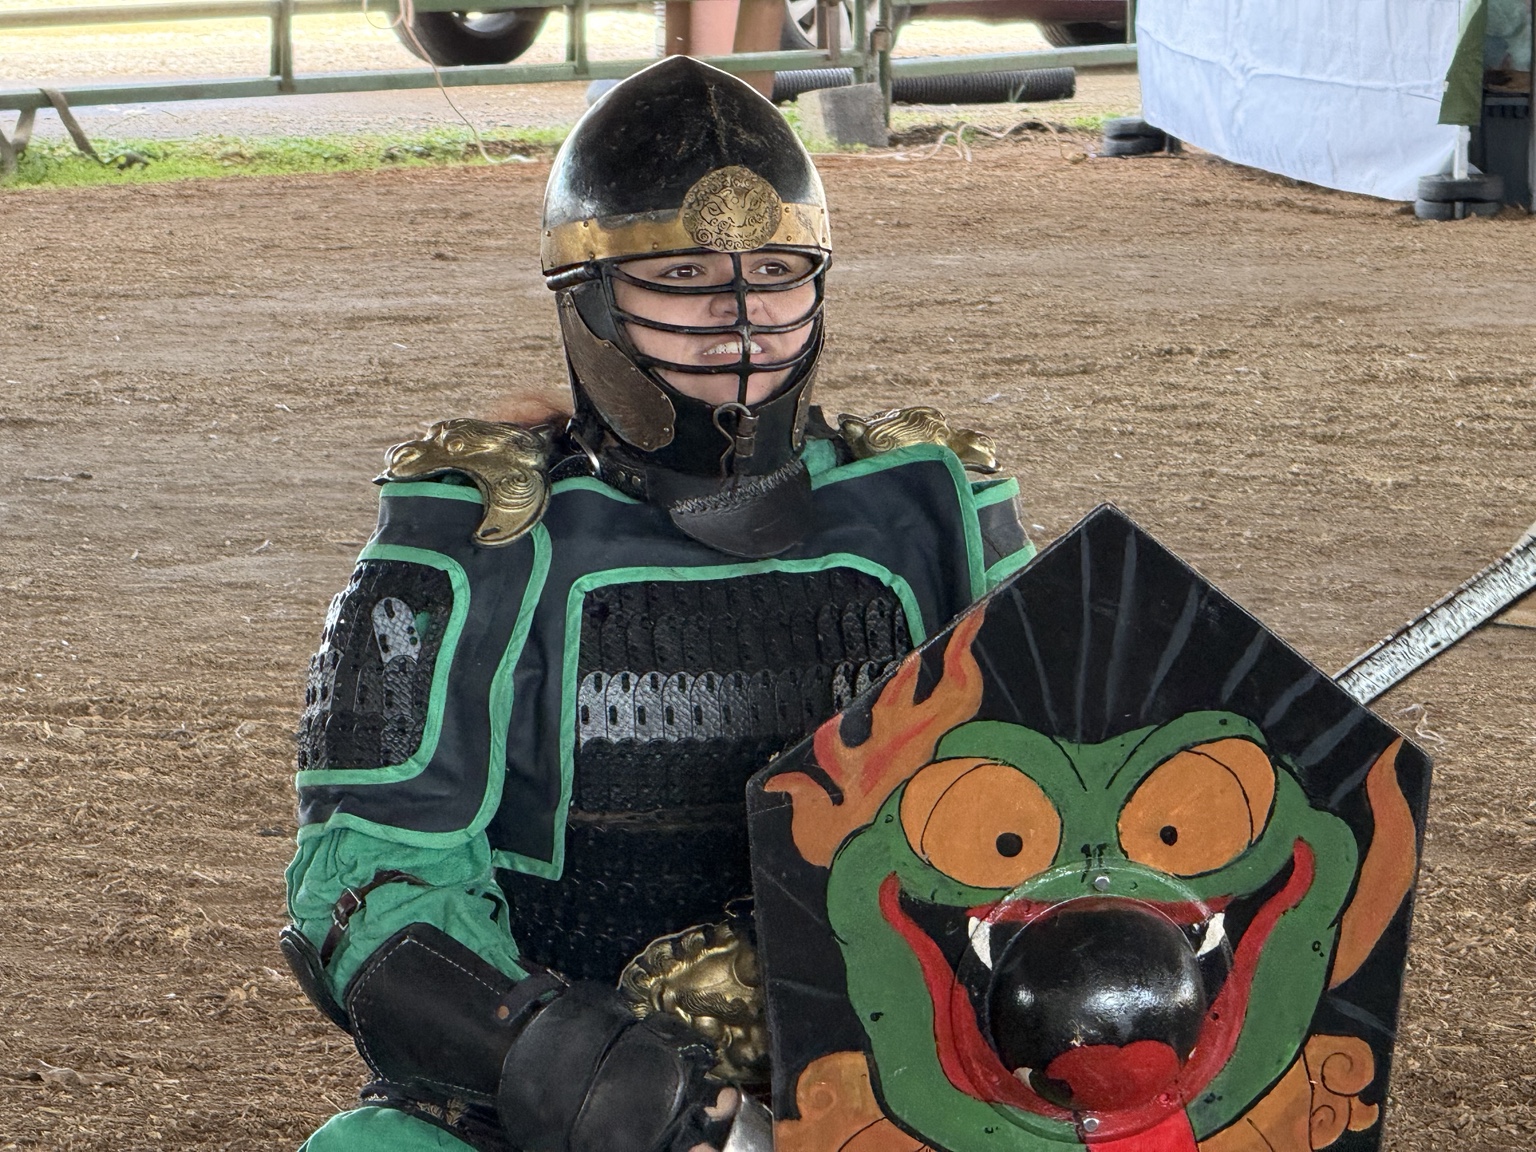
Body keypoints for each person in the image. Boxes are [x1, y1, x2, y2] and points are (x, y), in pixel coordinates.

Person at [283, 55, 1034, 1152]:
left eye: (776, 272)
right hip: (563, 1104)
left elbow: (1070, 795)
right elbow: (363, 885)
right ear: (590, 299)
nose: (743, 323)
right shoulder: (472, 539)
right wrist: (559, 1060)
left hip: (908, 1068)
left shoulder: (938, 517)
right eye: (684, 279)